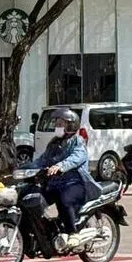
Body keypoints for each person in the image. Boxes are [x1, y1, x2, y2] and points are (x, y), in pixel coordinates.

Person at [26, 107, 95, 249]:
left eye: (61, 124)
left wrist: (60, 166)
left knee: (64, 199)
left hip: (75, 183)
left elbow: (76, 158)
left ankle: (73, 232)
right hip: (55, 183)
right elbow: (42, 160)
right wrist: (24, 167)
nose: (57, 126)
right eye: (56, 124)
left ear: (70, 125)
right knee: (33, 198)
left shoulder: (78, 141)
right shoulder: (54, 143)